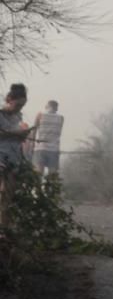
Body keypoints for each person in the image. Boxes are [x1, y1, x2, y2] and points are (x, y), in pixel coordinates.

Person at [0, 83, 32, 225]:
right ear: (10, 99)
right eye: (18, 105)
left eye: (22, 106)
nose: (20, 108)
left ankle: (4, 228)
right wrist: (17, 133)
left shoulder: (18, 116)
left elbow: (17, 137)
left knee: (8, 196)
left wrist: (23, 135)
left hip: (14, 158)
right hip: (1, 156)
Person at [32, 99, 64, 175]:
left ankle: (38, 186)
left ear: (47, 106)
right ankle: (50, 186)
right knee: (52, 176)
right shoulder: (61, 118)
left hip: (40, 148)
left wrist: (33, 143)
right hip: (54, 149)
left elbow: (34, 130)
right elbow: (58, 133)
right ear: (56, 108)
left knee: (38, 173)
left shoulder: (40, 115)